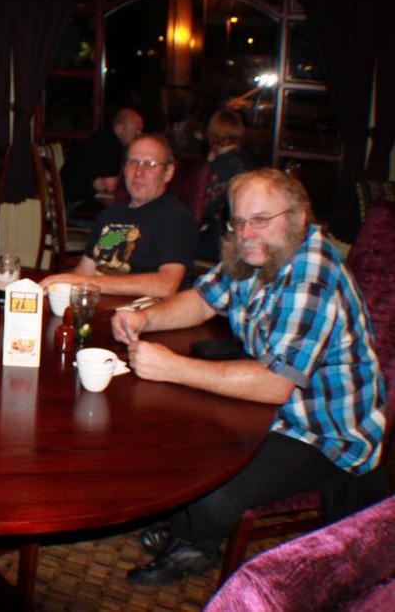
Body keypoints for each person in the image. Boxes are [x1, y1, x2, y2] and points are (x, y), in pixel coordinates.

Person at [113, 168, 387, 587]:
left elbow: (275, 384)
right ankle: (187, 523)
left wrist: (173, 367)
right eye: (239, 221)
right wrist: (145, 317)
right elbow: (203, 300)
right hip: (272, 408)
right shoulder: (254, 253)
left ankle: (197, 546)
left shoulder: (311, 277)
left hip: (323, 431)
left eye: (260, 219)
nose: (246, 233)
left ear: (298, 219)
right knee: (172, 432)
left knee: (212, 485)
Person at [40, 133, 197, 298]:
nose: (139, 172)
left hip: (144, 311)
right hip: (96, 305)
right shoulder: (110, 215)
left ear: (168, 172)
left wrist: (86, 283)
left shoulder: (177, 218)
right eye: (133, 162)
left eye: (150, 164)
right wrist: (54, 286)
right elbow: (84, 271)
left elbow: (166, 286)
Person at [196, 108, 256, 261]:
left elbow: (204, 207)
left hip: (223, 239)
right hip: (243, 231)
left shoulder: (224, 164)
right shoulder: (246, 158)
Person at [59, 107, 144, 206]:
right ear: (120, 128)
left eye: (140, 130)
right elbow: (110, 184)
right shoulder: (106, 144)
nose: (139, 135)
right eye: (135, 130)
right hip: (76, 202)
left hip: (85, 197)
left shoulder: (111, 141)